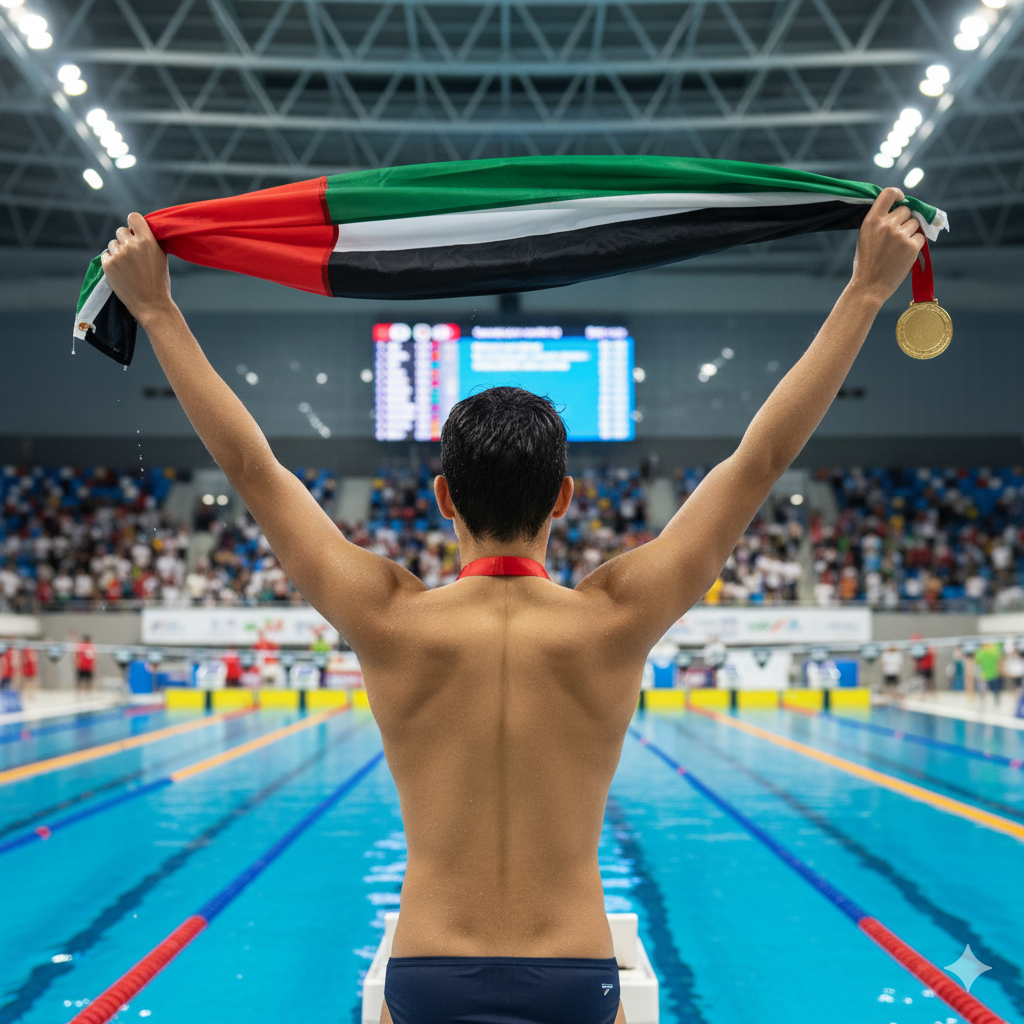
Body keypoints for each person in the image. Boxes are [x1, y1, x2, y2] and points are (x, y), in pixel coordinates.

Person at [99, 186, 924, 1024]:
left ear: (442, 496)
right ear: (564, 497)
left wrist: (159, 309)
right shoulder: (615, 616)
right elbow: (761, 457)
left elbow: (251, 467)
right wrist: (863, 291)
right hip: (573, 970)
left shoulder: (387, 617)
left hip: (426, 968)